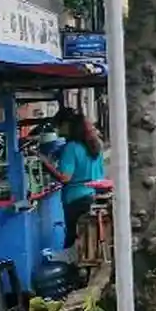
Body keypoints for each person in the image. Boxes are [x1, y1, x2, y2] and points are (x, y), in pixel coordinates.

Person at [43, 108, 105, 264]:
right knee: (90, 242)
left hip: (76, 200)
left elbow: (65, 177)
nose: (57, 130)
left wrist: (45, 164)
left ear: (68, 126)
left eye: (59, 126)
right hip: (95, 197)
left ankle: (71, 277)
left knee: (73, 240)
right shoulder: (95, 146)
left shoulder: (71, 148)